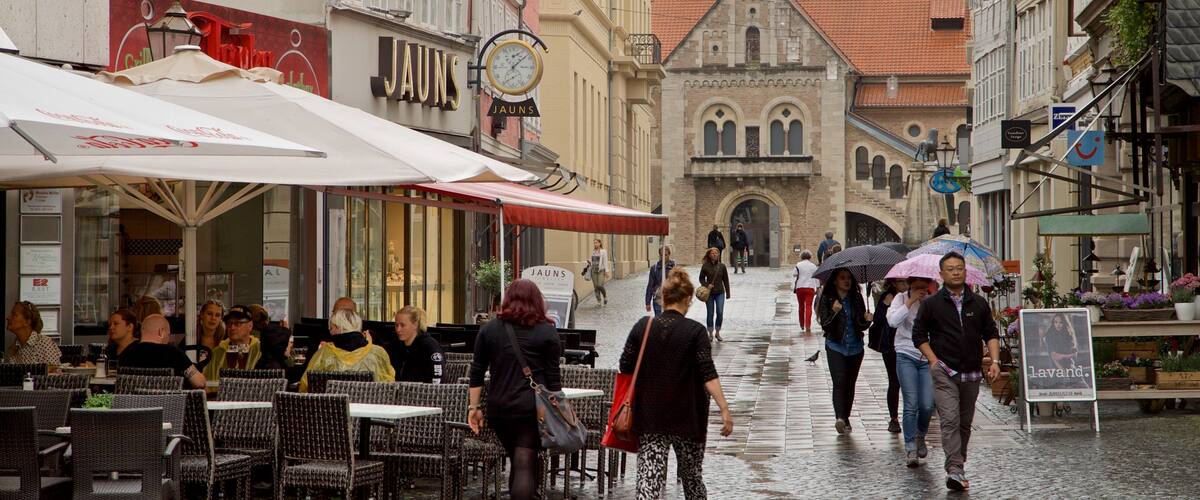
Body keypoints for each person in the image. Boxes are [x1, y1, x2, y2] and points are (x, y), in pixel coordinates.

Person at [621, 268, 733, 500]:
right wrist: (724, 409)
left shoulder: (643, 327)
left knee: (648, 479)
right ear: (688, 299)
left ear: (663, 297)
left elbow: (625, 366)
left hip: (651, 416)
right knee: (692, 479)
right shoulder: (695, 332)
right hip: (688, 417)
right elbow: (707, 373)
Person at [912, 252, 1001, 491]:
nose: (955, 272)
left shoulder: (978, 303)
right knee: (949, 421)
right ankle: (955, 469)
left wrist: (995, 361)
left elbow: (991, 333)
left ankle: (957, 464)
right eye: (950, 269)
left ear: (965, 271)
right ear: (941, 274)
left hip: (971, 373)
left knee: (964, 423)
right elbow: (918, 335)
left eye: (959, 268)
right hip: (944, 370)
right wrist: (933, 360)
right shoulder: (931, 304)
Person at [468, 279, 563, 500]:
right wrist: (558, 411)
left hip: (499, 409)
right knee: (523, 461)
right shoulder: (546, 332)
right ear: (537, 301)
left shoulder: (489, 330)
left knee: (518, 457)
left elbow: (477, 372)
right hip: (532, 410)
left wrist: (474, 407)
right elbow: (553, 381)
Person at [887, 276, 935, 468]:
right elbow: (892, 322)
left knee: (926, 404)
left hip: (927, 356)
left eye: (924, 287)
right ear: (909, 285)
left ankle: (920, 436)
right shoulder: (900, 299)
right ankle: (910, 447)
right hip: (905, 353)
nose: (921, 290)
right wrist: (910, 301)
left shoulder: (933, 301)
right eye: (916, 287)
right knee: (911, 403)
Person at [817, 268, 872, 434]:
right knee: (839, 381)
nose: (846, 281)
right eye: (842, 278)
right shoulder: (827, 298)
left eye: (849, 278)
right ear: (835, 280)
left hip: (855, 346)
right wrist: (834, 312)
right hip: (836, 345)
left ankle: (846, 416)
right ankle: (840, 417)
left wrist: (867, 320)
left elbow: (860, 324)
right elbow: (825, 325)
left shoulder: (856, 297)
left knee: (850, 383)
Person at [299, 308, 394, 392]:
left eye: (331, 328)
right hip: (370, 409)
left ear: (338, 328)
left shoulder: (324, 353)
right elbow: (389, 386)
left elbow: (306, 385)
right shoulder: (378, 353)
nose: (330, 332)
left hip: (333, 409)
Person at [120, 314, 206, 389]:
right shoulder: (173, 353)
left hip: (133, 406)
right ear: (161, 332)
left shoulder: (126, 354)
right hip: (168, 406)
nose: (168, 339)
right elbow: (199, 382)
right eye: (168, 334)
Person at [869, 279, 909, 434]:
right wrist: (886, 307)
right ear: (893, 283)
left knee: (910, 383)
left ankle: (912, 415)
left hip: (910, 345)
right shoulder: (888, 297)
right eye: (901, 282)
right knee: (894, 381)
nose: (905, 285)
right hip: (890, 346)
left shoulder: (911, 297)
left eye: (906, 282)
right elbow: (879, 321)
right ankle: (894, 419)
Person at [386, 306, 444, 383]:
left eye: (402, 325)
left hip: (423, 392)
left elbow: (437, 378)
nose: (398, 329)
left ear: (415, 325)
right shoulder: (395, 345)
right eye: (396, 325)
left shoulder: (430, 347)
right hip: (399, 392)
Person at [203, 307, 261, 383]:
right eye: (229, 323)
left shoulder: (260, 350)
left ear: (250, 325)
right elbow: (206, 382)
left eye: (237, 323)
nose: (232, 327)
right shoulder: (216, 353)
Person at [698, 247, 731, 342]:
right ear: (709, 255)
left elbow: (726, 280)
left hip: (720, 292)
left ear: (718, 255)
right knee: (710, 313)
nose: (714, 254)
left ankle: (717, 332)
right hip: (710, 294)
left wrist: (728, 293)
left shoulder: (722, 266)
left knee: (720, 312)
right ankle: (710, 333)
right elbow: (701, 278)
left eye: (716, 253)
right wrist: (706, 285)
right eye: (712, 253)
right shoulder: (705, 266)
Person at [792, 251, 820, 332]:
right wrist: (817, 288)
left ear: (801, 257)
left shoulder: (798, 265)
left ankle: (801, 324)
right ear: (810, 257)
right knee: (808, 306)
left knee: (801, 306)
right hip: (810, 287)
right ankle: (808, 325)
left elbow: (794, 274)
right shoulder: (813, 266)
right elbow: (817, 277)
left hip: (800, 287)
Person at [645, 246, 676, 316]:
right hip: (658, 299)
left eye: (665, 255)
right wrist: (647, 302)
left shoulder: (674, 267)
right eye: (662, 255)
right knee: (659, 321)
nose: (663, 257)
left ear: (669, 255)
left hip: (671, 298)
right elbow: (650, 285)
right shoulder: (655, 268)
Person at [589, 239, 612, 306]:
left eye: (596, 243)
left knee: (599, 285)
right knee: (595, 287)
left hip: (601, 271)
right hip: (593, 271)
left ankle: (605, 297)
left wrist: (606, 271)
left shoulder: (603, 251)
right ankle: (598, 301)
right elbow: (592, 260)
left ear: (600, 243)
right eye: (594, 243)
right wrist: (589, 261)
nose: (595, 244)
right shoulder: (593, 251)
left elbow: (605, 261)